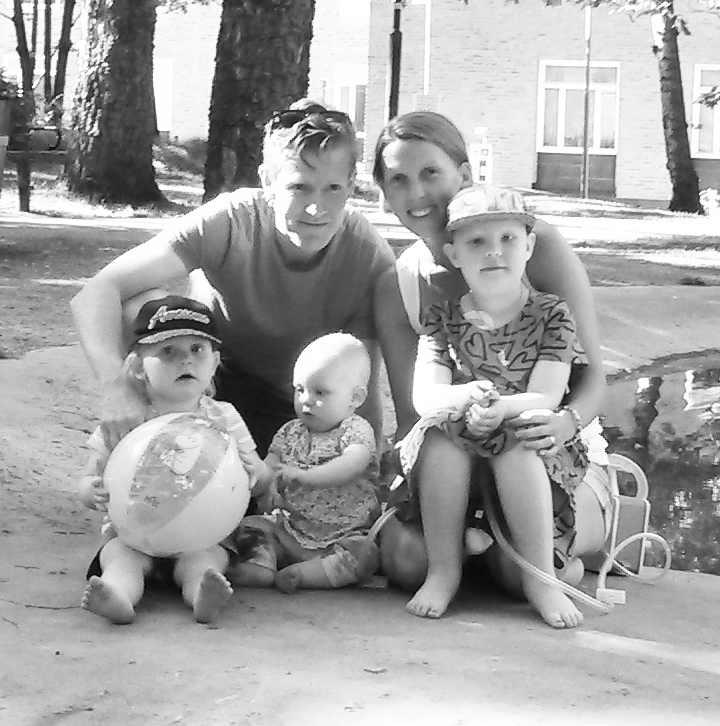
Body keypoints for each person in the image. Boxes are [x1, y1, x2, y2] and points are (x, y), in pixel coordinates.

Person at [371, 112, 612, 626]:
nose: (418, 193)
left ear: (463, 173)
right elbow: (416, 413)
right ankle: (459, 552)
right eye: (399, 180)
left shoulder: (532, 248)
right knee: (407, 562)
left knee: (514, 573)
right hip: (454, 448)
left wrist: (564, 422)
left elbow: (591, 377)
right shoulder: (402, 287)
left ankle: (541, 553)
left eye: (431, 173)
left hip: (544, 443)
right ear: (384, 195)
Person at [70, 100, 395, 462]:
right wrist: (117, 386)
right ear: (268, 182)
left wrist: (369, 462)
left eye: (332, 188)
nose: (316, 208)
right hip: (204, 384)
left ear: (351, 184)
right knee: (141, 305)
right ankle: (141, 451)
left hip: (296, 409)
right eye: (300, 187)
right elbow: (98, 291)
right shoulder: (230, 222)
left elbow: (362, 382)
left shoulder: (368, 255)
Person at [78, 295, 272, 625]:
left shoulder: (224, 417)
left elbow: (260, 480)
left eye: (197, 349)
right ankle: (118, 595)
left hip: (202, 536)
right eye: (168, 351)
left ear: (215, 362)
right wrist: (90, 490)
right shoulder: (127, 419)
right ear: (138, 367)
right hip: (133, 536)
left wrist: (257, 473)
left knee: (204, 562)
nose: (186, 360)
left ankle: (200, 595)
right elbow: (88, 477)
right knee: (120, 559)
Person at [227, 333, 381, 593]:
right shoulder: (289, 432)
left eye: (320, 392)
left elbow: (352, 465)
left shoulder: (355, 430)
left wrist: (306, 476)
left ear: (355, 398)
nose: (305, 399)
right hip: (290, 530)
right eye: (299, 389)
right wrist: (267, 486)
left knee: (366, 554)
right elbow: (271, 466)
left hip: (343, 536)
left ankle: (304, 575)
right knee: (250, 526)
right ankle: (261, 564)